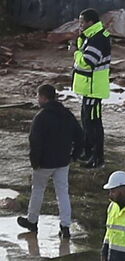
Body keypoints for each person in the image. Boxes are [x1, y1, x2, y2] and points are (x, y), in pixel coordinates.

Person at [17, 84, 83, 239]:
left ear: (44, 98)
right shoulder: (67, 114)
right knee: (63, 193)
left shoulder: (41, 117)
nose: (37, 100)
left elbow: (35, 142)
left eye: (38, 97)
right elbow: (80, 136)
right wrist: (74, 155)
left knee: (38, 190)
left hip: (44, 163)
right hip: (63, 162)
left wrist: (35, 162)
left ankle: (32, 222)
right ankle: (65, 227)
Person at [71, 8, 110, 169]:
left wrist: (75, 53)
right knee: (86, 121)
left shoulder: (98, 39)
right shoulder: (92, 36)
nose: (80, 25)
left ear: (90, 22)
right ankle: (87, 152)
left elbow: (88, 61)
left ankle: (97, 158)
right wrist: (80, 40)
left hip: (94, 89)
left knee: (94, 124)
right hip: (89, 88)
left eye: (82, 22)